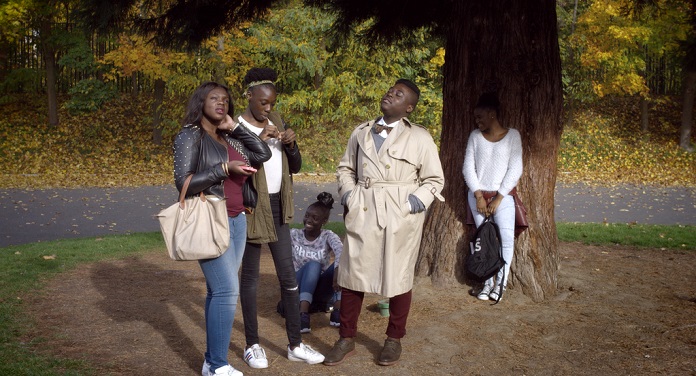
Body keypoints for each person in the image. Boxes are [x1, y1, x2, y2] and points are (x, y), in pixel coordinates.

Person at [326, 79, 445, 366]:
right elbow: (346, 168)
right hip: (363, 208)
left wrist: (410, 204)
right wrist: (350, 196)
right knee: (353, 274)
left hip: (399, 215)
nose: (391, 94)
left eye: (399, 94)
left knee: (399, 276)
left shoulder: (419, 138)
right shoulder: (361, 131)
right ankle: (346, 338)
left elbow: (434, 179)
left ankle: (393, 340)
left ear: (409, 107)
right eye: (391, 90)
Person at [173, 82, 272, 376]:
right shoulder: (190, 135)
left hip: (237, 219)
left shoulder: (230, 135)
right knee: (228, 290)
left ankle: (210, 361)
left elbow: (262, 154)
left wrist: (237, 129)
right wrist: (224, 169)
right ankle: (217, 365)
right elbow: (184, 183)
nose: (221, 103)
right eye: (214, 98)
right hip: (209, 220)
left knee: (219, 292)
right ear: (200, 102)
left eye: (226, 100)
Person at [237, 68, 325, 368]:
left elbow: (295, 167)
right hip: (250, 207)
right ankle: (252, 345)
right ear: (249, 96)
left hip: (277, 207)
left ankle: (295, 344)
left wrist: (291, 144)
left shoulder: (276, 121)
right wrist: (260, 141)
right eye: (263, 102)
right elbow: (239, 170)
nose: (269, 108)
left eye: (272, 102)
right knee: (249, 279)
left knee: (288, 278)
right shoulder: (236, 128)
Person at [462, 90, 523, 302]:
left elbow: (515, 169)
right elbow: (468, 168)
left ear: (491, 114)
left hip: (503, 198)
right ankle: (487, 282)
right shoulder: (475, 137)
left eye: (480, 116)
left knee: (505, 240)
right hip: (478, 197)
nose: (476, 121)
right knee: (484, 241)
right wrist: (479, 196)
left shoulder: (513, 136)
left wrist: (498, 198)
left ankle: (501, 285)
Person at [289, 192, 343, 333]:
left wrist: (337, 272)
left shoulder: (328, 235)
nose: (308, 220)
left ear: (324, 221)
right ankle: (303, 314)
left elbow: (341, 252)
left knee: (345, 263)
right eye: (307, 215)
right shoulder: (294, 234)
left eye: (315, 218)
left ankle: (337, 310)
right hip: (299, 285)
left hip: (320, 288)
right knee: (314, 265)